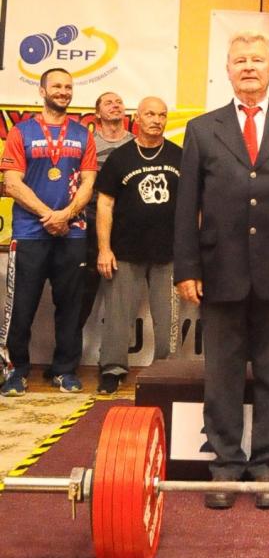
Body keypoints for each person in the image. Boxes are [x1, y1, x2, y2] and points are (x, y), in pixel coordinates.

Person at [173, 33, 269, 510]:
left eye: (257, 59)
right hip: (220, 272)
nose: (249, 67)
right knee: (221, 376)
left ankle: (266, 468)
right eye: (240, 60)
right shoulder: (202, 130)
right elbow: (186, 207)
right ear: (228, 70)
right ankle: (224, 467)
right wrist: (187, 267)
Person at [0, 68, 97, 395]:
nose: (63, 91)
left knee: (70, 306)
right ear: (42, 91)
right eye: (56, 86)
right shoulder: (21, 132)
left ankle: (65, 370)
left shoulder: (83, 135)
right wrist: (49, 215)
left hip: (72, 232)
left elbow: (89, 182)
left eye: (68, 87)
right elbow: (12, 183)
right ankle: (16, 371)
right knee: (21, 305)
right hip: (30, 232)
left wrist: (66, 215)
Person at [94, 97, 182, 394]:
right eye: (150, 114)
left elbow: (193, 206)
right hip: (125, 251)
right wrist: (104, 249)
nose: (157, 120)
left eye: (162, 115)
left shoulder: (180, 156)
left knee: (168, 319)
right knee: (117, 316)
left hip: (168, 252)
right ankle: (112, 369)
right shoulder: (120, 158)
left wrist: (191, 250)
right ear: (137, 118)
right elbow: (105, 204)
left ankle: (167, 370)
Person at [76, 91, 133, 335]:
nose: (115, 105)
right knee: (83, 292)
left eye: (119, 102)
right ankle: (68, 353)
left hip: (125, 224)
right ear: (97, 113)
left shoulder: (136, 144)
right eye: (108, 102)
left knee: (122, 295)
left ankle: (113, 353)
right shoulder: (87, 145)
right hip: (90, 221)